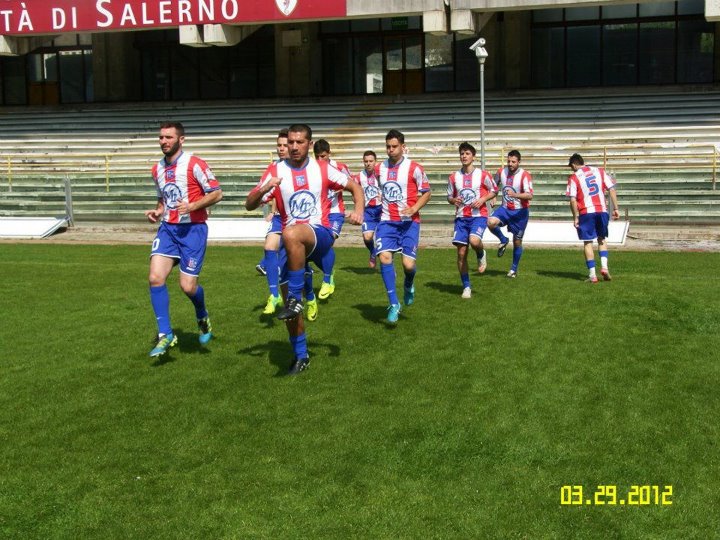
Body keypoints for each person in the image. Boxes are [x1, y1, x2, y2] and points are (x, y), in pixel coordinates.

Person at [245, 124, 364, 375]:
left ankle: (296, 297)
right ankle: (301, 355)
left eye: (299, 142)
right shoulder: (276, 170)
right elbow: (249, 204)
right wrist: (265, 188)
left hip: (318, 234)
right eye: (290, 142)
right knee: (290, 313)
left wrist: (359, 210)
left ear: (309, 145)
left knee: (290, 233)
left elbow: (355, 187)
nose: (294, 146)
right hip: (293, 244)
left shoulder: (322, 168)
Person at [145, 121, 223, 357]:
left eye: (169, 137)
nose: (164, 142)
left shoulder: (194, 164)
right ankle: (165, 334)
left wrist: (193, 205)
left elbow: (217, 193)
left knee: (187, 287)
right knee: (155, 278)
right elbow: (164, 199)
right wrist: (158, 211)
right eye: (161, 137)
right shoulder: (156, 169)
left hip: (193, 231)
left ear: (181, 139)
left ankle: (202, 315)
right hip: (168, 229)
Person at [375, 129, 431, 323]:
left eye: (394, 146)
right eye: (388, 147)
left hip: (409, 223)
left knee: (408, 265)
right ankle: (394, 303)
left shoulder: (414, 168)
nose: (390, 150)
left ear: (403, 147)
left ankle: (409, 283)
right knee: (385, 257)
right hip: (386, 221)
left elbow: (427, 192)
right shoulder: (379, 168)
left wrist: (414, 207)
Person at [447, 142, 497, 298]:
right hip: (461, 218)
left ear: (473, 156)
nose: (464, 156)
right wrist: (453, 200)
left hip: (478, 216)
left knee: (474, 241)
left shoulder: (483, 175)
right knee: (461, 254)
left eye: (467, 153)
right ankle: (466, 286)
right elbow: (449, 196)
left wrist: (483, 199)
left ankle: (481, 254)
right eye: (462, 153)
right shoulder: (454, 177)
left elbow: (494, 190)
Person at [566, 153, 620, 282]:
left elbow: (573, 200)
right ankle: (605, 268)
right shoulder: (599, 171)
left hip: (586, 211)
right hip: (601, 209)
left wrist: (575, 217)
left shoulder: (574, 177)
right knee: (601, 239)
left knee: (588, 242)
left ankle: (592, 275)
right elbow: (611, 189)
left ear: (574, 164)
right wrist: (616, 208)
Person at [312, 139, 352, 300]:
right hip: (319, 213)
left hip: (335, 212)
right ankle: (329, 272)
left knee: (327, 243)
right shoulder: (311, 168)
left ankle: (327, 279)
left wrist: (337, 185)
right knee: (316, 250)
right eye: (317, 156)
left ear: (329, 153)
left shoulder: (340, 167)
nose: (320, 160)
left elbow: (352, 184)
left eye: (323, 156)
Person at [256, 129, 288, 315]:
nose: (282, 148)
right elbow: (261, 190)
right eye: (279, 145)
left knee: (298, 260)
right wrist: (260, 197)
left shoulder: (302, 166)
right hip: (280, 218)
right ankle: (274, 295)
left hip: (301, 219)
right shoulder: (272, 169)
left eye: (285, 145)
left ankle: (309, 296)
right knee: (269, 247)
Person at [487, 149, 533, 278]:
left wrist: (515, 195)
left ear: (519, 162)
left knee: (517, 241)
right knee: (490, 222)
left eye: (513, 162)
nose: (510, 164)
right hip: (505, 209)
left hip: (520, 212)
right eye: (508, 161)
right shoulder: (501, 172)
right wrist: (493, 196)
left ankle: (513, 270)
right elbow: (493, 187)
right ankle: (503, 239)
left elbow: (529, 195)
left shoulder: (525, 175)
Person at [353, 150, 382, 268]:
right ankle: (372, 251)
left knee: (384, 239)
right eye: (366, 161)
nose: (368, 163)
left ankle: (389, 265)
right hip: (368, 211)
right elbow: (354, 192)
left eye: (371, 161)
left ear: (375, 162)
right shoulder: (359, 177)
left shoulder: (381, 174)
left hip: (381, 210)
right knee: (367, 237)